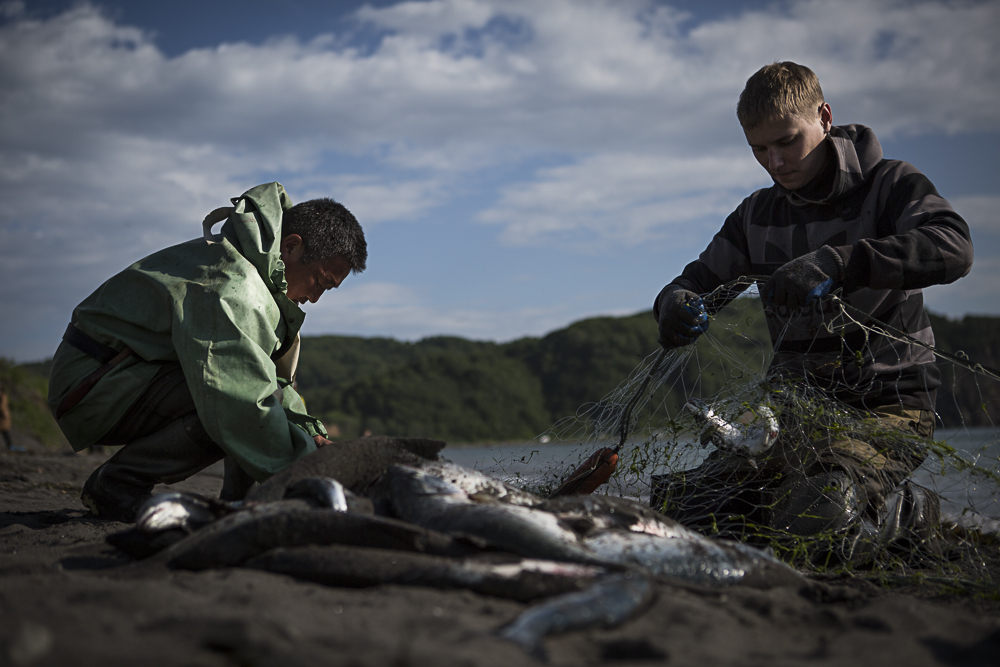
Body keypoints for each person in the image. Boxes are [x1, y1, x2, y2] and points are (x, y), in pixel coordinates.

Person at [649, 62, 973, 563]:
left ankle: (907, 510)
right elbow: (694, 283)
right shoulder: (755, 214)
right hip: (790, 415)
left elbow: (954, 247)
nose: (774, 162)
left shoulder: (889, 185)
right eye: (759, 149)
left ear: (824, 117)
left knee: (815, 517)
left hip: (889, 408)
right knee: (687, 514)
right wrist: (673, 305)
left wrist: (844, 261)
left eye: (787, 141)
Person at [47, 182, 367, 521]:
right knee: (233, 398)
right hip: (90, 385)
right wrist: (305, 476)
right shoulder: (233, 285)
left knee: (254, 391)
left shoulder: (255, 276)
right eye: (321, 282)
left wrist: (312, 433)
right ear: (291, 247)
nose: (315, 298)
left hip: (129, 374)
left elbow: (268, 379)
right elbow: (241, 397)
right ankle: (118, 484)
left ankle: (237, 504)